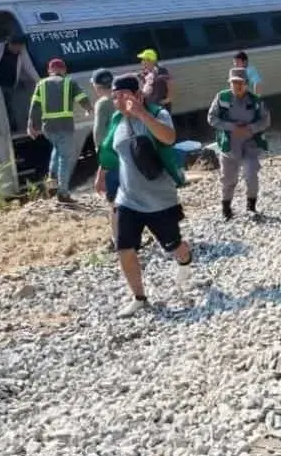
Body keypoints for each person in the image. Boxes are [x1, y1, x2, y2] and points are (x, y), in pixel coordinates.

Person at [96, 74, 204, 318]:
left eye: (123, 96)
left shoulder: (157, 115)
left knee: (174, 247)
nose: (119, 102)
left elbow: (169, 137)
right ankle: (139, 298)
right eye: (114, 97)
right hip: (127, 199)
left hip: (159, 200)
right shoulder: (117, 121)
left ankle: (184, 262)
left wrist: (141, 114)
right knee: (124, 247)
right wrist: (101, 172)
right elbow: (109, 149)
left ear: (138, 95)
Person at [206, 68, 271, 221]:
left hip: (250, 143)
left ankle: (251, 207)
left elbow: (266, 120)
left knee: (251, 174)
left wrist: (250, 128)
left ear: (247, 84)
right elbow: (211, 118)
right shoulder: (222, 97)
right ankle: (226, 210)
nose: (237, 86)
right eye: (234, 82)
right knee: (228, 179)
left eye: (240, 83)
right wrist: (231, 127)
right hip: (229, 144)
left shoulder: (255, 100)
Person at [28, 58, 92, 203]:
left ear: (49, 71)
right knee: (65, 159)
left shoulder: (41, 84)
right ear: (64, 70)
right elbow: (82, 98)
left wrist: (32, 126)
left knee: (56, 150)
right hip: (65, 126)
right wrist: (88, 109)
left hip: (48, 128)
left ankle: (51, 179)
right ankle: (63, 193)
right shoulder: (69, 82)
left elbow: (35, 106)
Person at [0, 33, 40, 132]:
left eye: (21, 47)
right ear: (11, 44)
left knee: (12, 107)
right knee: (1, 107)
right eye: (18, 47)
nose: (19, 49)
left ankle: (13, 128)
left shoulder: (22, 52)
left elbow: (29, 68)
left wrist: (39, 82)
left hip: (11, 85)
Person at [91, 69, 119, 249]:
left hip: (112, 156)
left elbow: (100, 135)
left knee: (114, 199)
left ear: (96, 85)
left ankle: (118, 239)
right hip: (129, 153)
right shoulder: (122, 98)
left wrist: (102, 164)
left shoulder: (103, 103)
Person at [137, 48, 173, 113]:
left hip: (161, 106)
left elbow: (169, 84)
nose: (142, 62)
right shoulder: (144, 73)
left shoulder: (161, 71)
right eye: (142, 60)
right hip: (150, 106)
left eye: (144, 60)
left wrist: (168, 99)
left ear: (151, 61)